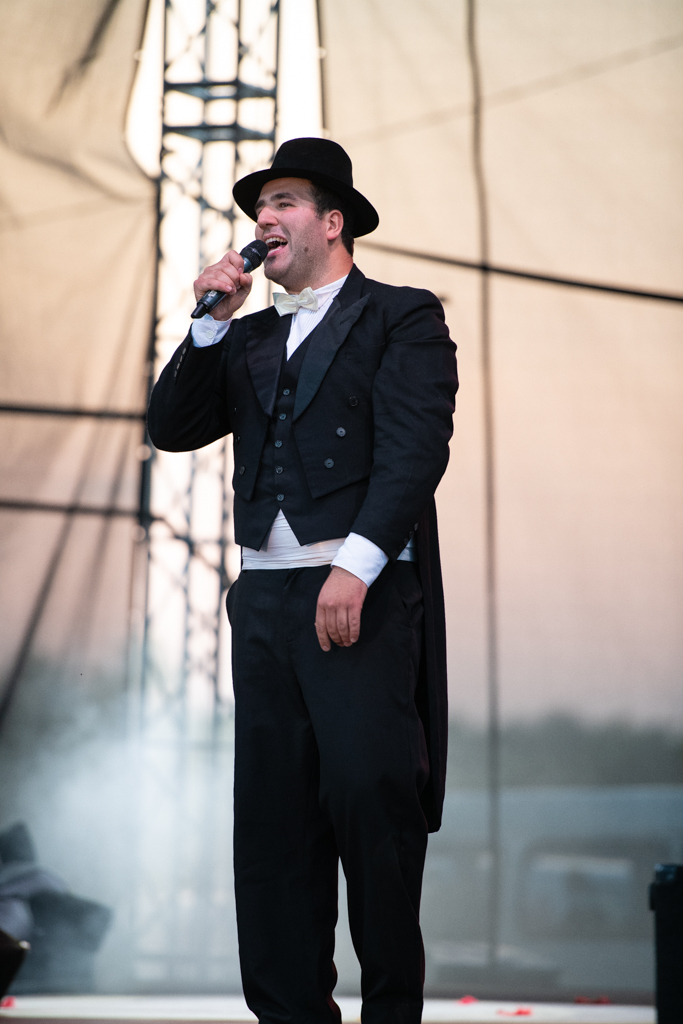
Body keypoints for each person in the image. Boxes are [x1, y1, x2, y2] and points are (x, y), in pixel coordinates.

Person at [148, 137, 458, 1024]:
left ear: (332, 222)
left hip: (358, 593)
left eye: (283, 202)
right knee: (274, 822)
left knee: (369, 801)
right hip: (265, 602)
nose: (265, 218)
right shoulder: (248, 336)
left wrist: (355, 566)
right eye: (259, 207)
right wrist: (210, 321)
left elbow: (415, 450)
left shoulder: (400, 316)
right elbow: (172, 428)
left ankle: (391, 1011)